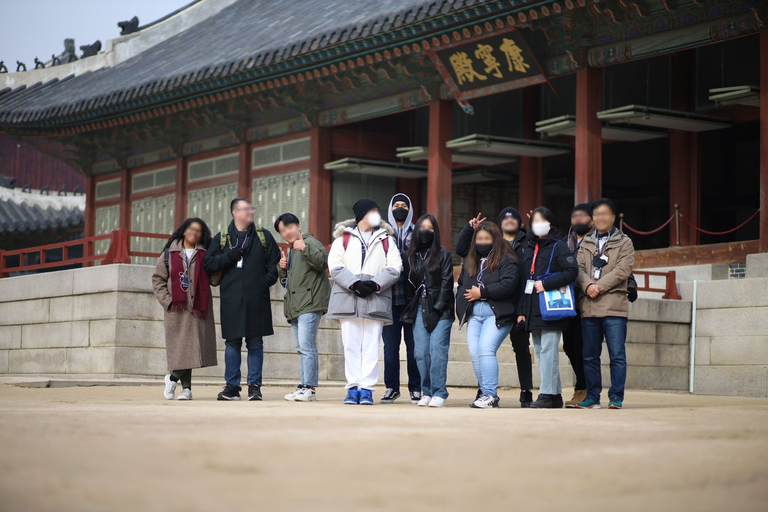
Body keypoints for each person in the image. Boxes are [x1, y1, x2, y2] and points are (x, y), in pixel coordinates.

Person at [326, 198, 402, 405]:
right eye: (372, 211)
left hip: (375, 297)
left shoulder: (386, 239)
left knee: (371, 346)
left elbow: (395, 267)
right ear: (362, 215)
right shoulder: (343, 238)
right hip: (348, 297)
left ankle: (366, 388)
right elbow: (334, 265)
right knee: (350, 345)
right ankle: (352, 388)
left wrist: (375, 284)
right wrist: (354, 284)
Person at [204, 197, 280, 401]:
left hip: (257, 297)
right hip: (232, 298)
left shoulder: (264, 236)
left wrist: (265, 282)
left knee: (255, 342)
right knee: (232, 342)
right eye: (246, 209)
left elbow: (274, 262)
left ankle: (255, 387)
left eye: (251, 209)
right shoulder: (223, 238)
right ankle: (232, 387)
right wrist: (231, 254)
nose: (251, 212)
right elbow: (208, 264)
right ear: (234, 212)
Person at [456, 208, 533, 407]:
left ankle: (490, 395)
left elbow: (509, 283)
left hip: (497, 313)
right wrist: (462, 304)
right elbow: (463, 282)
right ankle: (485, 394)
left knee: (485, 350)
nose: (482, 242)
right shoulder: (471, 260)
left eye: (486, 239)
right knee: (474, 352)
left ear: (495, 239)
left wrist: (482, 292)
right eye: (479, 239)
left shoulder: (508, 258)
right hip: (475, 314)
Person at [575, 198, 635, 410]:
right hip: (589, 306)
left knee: (616, 355)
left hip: (614, 306)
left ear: (612, 217)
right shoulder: (586, 243)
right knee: (590, 355)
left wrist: (598, 286)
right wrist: (588, 285)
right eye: (597, 214)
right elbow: (578, 269)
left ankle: (616, 397)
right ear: (593, 219)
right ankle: (592, 397)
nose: (600, 218)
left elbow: (623, 270)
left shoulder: (624, 241)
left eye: (604, 213)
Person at [517, 207, 578, 409]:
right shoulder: (529, 247)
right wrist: (521, 312)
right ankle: (555, 395)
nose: (538, 224)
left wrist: (547, 284)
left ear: (551, 223)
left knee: (549, 351)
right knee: (542, 351)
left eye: (542, 220)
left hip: (552, 307)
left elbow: (571, 271)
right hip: (533, 308)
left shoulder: (559, 246)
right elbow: (526, 280)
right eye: (534, 221)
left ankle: (546, 393)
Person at [152, 218, 218, 401]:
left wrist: (219, 262)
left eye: (198, 230)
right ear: (184, 230)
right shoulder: (169, 253)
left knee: (190, 348)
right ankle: (181, 385)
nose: (194, 233)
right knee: (183, 349)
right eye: (191, 228)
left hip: (198, 307)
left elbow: (214, 280)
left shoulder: (205, 253)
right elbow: (157, 280)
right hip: (177, 309)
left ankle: (180, 384)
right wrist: (168, 302)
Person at [400, 214, 455, 407]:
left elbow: (447, 284)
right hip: (419, 308)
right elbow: (407, 286)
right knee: (420, 352)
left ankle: (439, 392)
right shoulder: (410, 255)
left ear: (435, 231)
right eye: (422, 227)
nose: (426, 230)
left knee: (437, 351)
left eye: (430, 228)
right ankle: (427, 391)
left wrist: (437, 310)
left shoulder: (443, 254)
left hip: (442, 309)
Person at [275, 213, 331, 402]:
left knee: (307, 346)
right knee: (301, 347)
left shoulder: (309, 242)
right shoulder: (292, 251)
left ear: (298, 226)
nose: (287, 233)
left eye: (289, 228)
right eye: (283, 231)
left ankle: (310, 388)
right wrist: (282, 268)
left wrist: (305, 248)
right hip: (297, 305)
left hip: (310, 303)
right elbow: (288, 282)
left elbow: (323, 262)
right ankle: (304, 385)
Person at [381, 193, 421, 404]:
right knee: (390, 346)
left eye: (404, 205)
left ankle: (416, 387)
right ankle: (391, 387)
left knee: (414, 346)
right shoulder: (381, 233)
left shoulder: (418, 232)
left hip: (412, 298)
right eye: (395, 205)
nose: (399, 208)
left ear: (410, 209)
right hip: (389, 299)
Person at [562, 203, 593, 407]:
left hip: (590, 299)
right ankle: (584, 386)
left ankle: (583, 389)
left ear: (591, 219)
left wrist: (631, 285)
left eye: (582, 216)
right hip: (566, 300)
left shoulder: (599, 240)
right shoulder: (565, 241)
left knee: (582, 346)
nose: (578, 219)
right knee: (568, 346)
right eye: (575, 216)